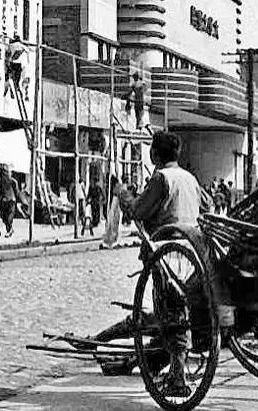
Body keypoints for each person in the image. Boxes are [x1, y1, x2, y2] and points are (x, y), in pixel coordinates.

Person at [85, 132, 224, 375]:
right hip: (192, 252)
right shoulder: (189, 178)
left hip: (166, 253)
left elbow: (138, 211)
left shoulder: (161, 178)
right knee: (176, 310)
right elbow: (208, 204)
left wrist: (122, 193)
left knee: (169, 313)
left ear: (155, 154)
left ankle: (175, 374)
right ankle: (138, 360)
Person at [0, 166, 18, 237]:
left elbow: (16, 191)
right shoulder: (0, 182)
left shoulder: (13, 181)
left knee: (9, 218)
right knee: (4, 217)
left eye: (7, 172)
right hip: (4, 201)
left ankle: (9, 231)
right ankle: (10, 229)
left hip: (11, 200)